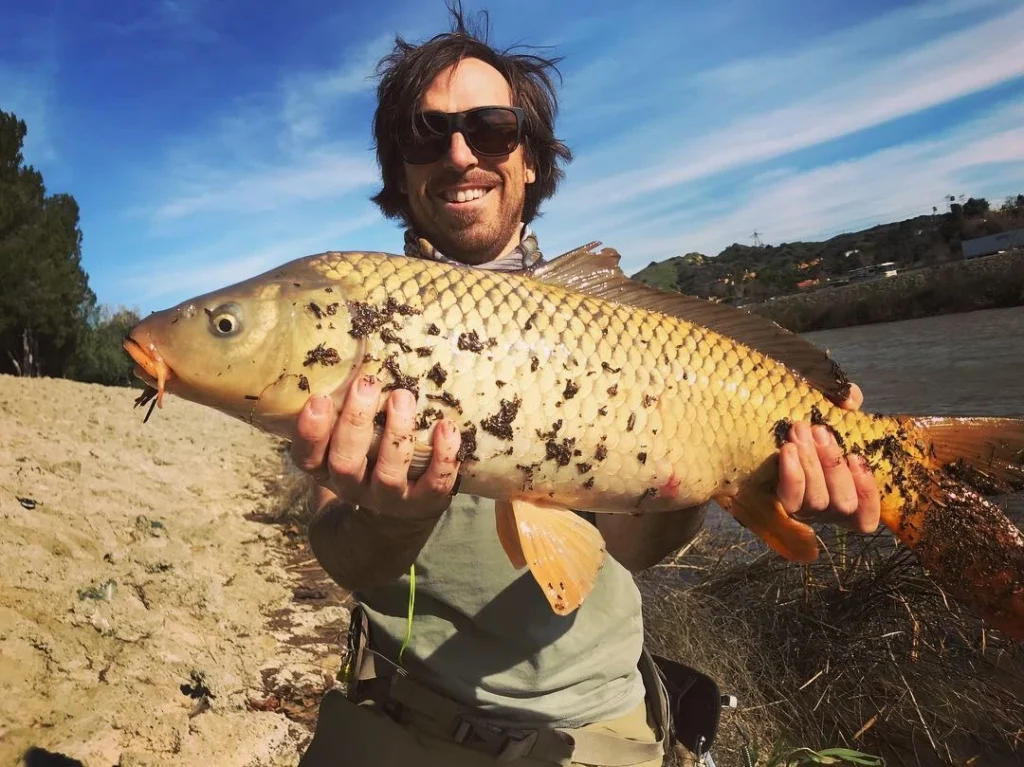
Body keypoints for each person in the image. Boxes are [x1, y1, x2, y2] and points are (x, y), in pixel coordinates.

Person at [289, 6, 881, 766]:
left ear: (528, 159)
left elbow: (626, 549)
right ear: (398, 169)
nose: (461, 152)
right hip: (399, 716)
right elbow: (346, 558)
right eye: (426, 132)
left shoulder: (614, 321)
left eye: (492, 127)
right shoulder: (352, 323)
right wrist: (396, 518)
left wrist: (718, 469)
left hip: (594, 730)